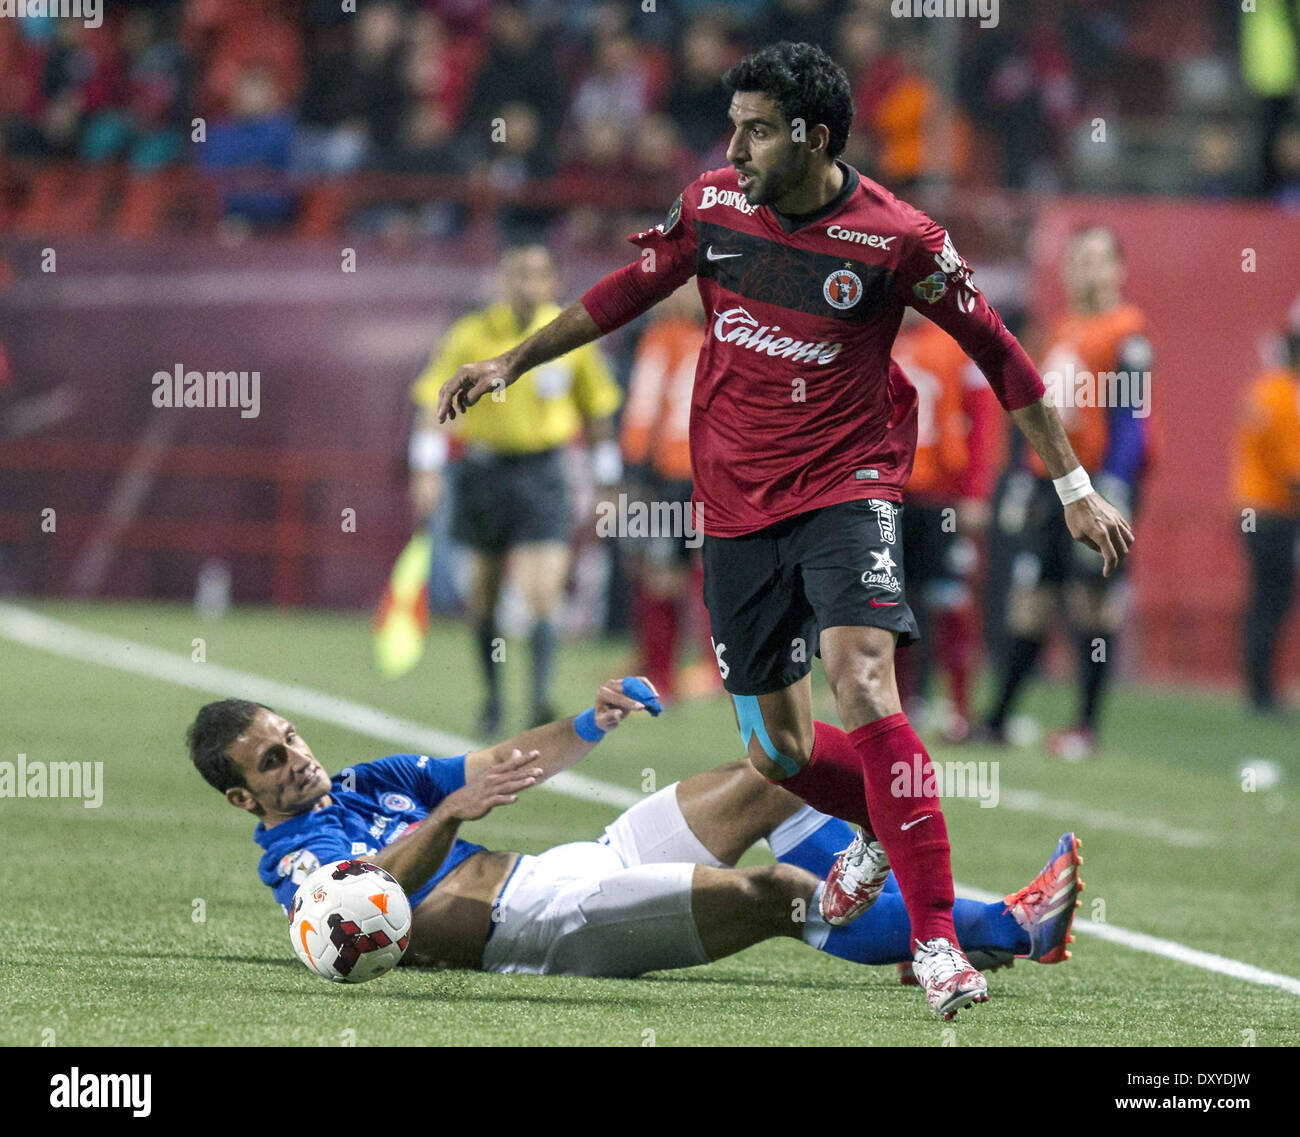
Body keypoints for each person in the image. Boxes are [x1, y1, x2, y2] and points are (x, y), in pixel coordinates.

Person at [432, 42, 1129, 1018]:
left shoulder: (900, 239)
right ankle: (883, 820)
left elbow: (1003, 358)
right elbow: (626, 288)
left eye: (755, 129)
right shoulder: (715, 204)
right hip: (732, 506)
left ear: (813, 135)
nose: (736, 146)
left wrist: (1073, 489)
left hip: (847, 487)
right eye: (734, 127)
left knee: (862, 676)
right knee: (781, 754)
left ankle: (935, 943)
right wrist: (515, 360)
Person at [185, 678, 1083, 998]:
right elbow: (361, 900)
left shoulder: (362, 779)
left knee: (771, 773)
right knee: (776, 897)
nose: (295, 759)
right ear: (240, 797)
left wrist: (589, 719)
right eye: (270, 761)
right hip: (537, 929)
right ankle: (1000, 925)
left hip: (571, 868)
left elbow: (503, 759)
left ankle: (881, 927)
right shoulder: (290, 853)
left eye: (290, 736)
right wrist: (449, 815)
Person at [408, 243, 623, 734]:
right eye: (518, 273)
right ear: (501, 280)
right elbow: (432, 402)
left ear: (553, 282)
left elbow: (597, 413)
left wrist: (608, 480)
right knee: (482, 597)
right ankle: (491, 699)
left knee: (543, 593)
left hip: (543, 474)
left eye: (538, 274)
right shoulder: (471, 334)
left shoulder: (571, 336)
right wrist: (425, 469)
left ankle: (540, 700)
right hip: (481, 473)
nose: (528, 283)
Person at [977, 227, 1154, 760]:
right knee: (1028, 602)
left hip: (1098, 484)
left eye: (1099, 261)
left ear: (1119, 269)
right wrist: (1021, 478)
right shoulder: (1057, 331)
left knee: (1091, 602)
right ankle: (998, 719)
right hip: (1047, 485)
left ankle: (1085, 727)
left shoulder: (1129, 334)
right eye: (1078, 260)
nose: (1086, 271)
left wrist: (1119, 485)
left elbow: (1132, 418)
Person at [892, 310, 1000, 740]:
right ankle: (904, 706)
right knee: (890, 604)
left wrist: (974, 492)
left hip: (943, 499)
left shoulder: (957, 342)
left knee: (949, 600)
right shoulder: (880, 333)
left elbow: (981, 421)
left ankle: (959, 709)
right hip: (888, 494)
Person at [620, 284, 718, 701]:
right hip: (673, 474)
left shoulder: (738, 332)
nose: (679, 297)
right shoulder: (663, 335)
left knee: (720, 571)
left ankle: (715, 670)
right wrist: (637, 473)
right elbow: (643, 407)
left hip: (724, 472)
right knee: (663, 572)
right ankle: (661, 674)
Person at [1232, 295, 1300, 713]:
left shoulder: (1262, 389)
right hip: (1273, 511)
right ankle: (1260, 692)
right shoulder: (1284, 396)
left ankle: (1257, 687)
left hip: (1249, 506)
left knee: (1262, 598)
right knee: (1272, 600)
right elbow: (1292, 471)